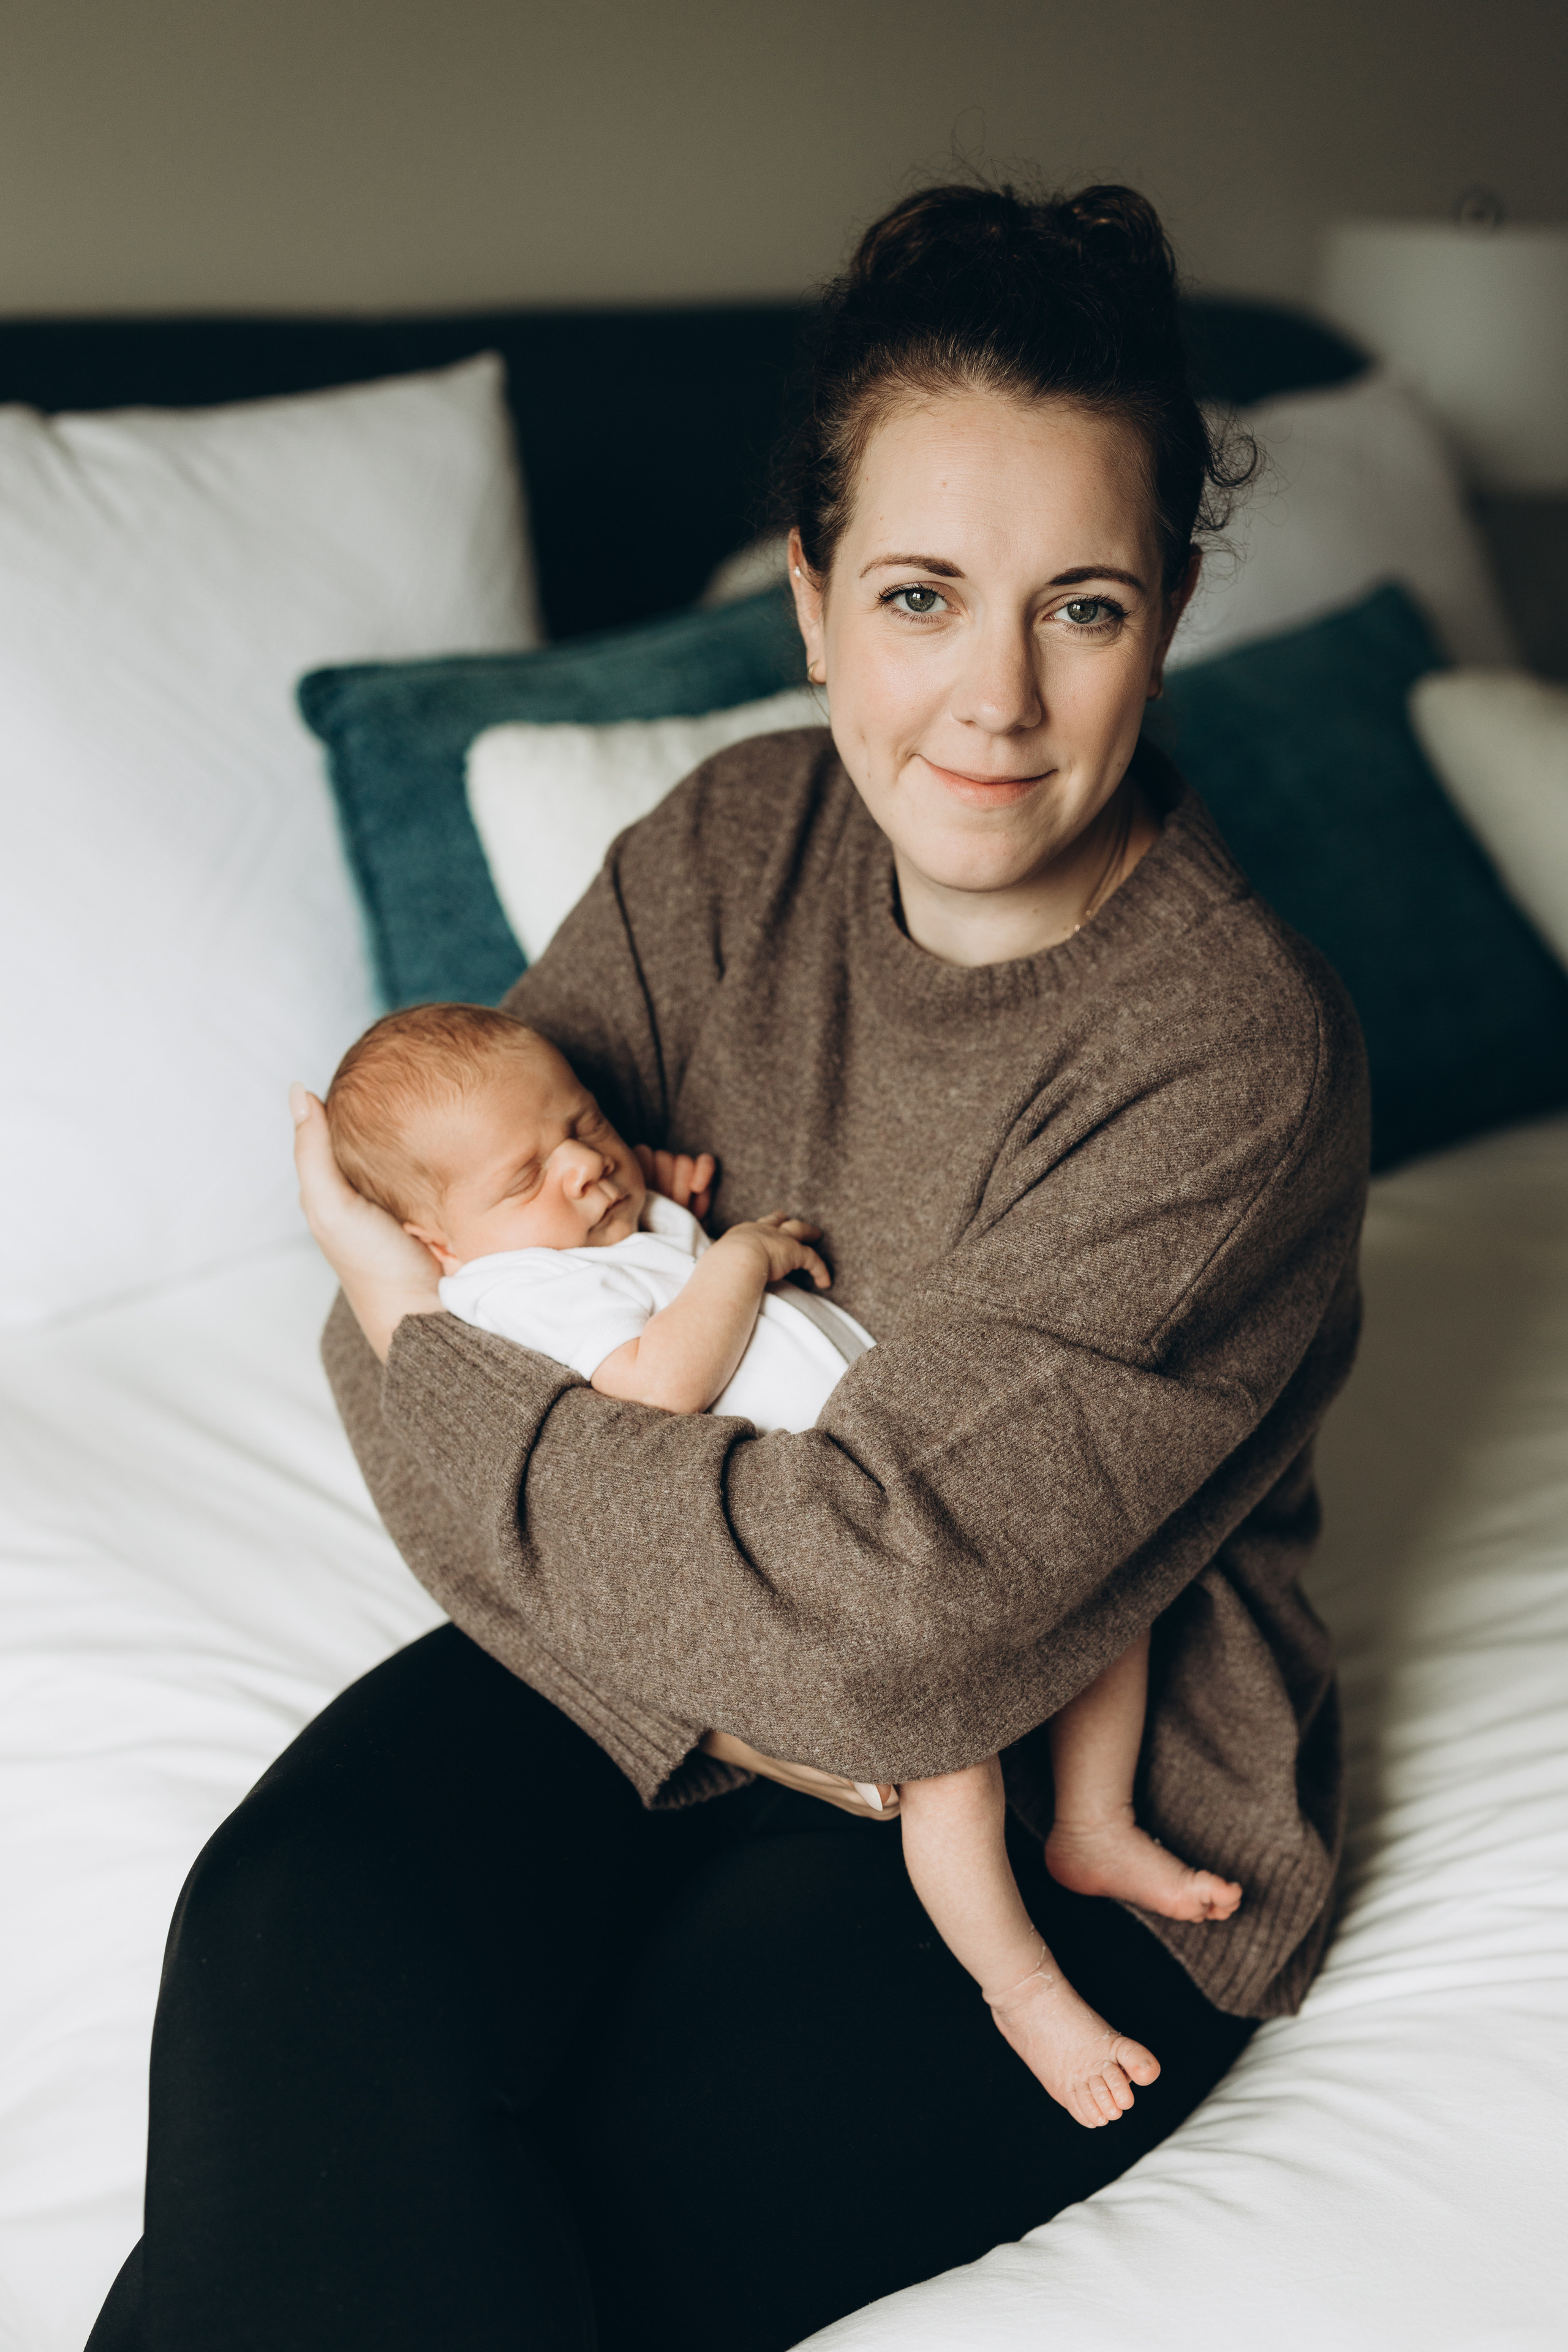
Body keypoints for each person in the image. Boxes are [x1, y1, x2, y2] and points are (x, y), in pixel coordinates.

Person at [88, 178, 1368, 2352]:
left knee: (546, 2215)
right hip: (664, 1672)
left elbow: (881, 1630)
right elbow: (413, 1315)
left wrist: (452, 1389)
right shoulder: (721, 849)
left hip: (1070, 1791)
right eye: (918, 594)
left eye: (1081, 606)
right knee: (285, 1956)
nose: (993, 701)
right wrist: (435, 1366)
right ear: (808, 600)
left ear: (1166, 614)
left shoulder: (1229, 1049)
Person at [315, 997, 1244, 2127]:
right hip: (789, 1574)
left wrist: (651, 1202)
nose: (579, 1164)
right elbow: (651, 1385)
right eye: (527, 1175)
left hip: (891, 1506)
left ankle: (1093, 1828)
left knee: (1108, 1596)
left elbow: (613, 1229)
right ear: (436, 1247)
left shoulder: (584, 1228)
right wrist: (740, 1255)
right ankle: (1024, 1989)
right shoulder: (507, 1293)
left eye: (584, 1120)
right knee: (950, 1768)